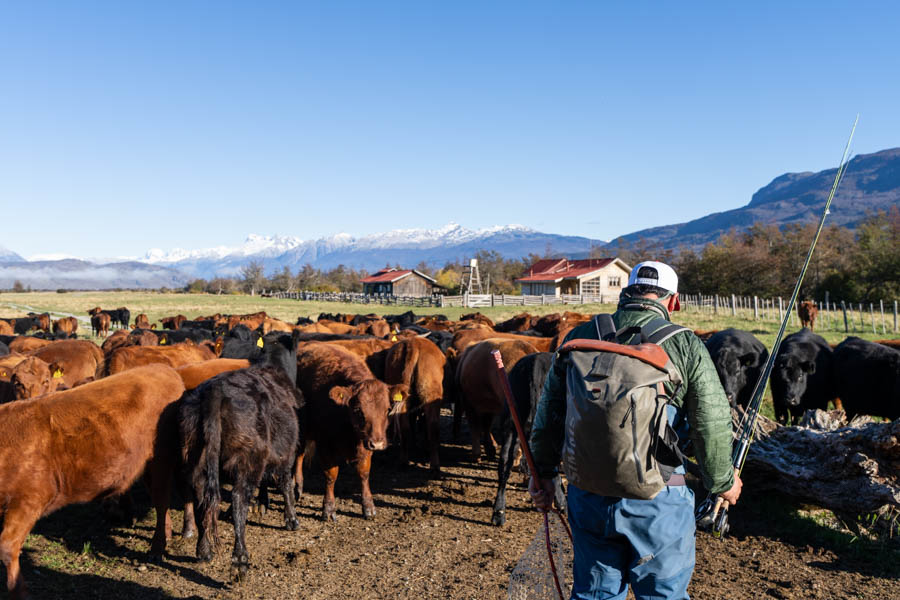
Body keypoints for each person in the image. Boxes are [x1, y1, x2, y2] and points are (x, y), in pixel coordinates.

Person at [528, 260, 742, 600]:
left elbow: (549, 413)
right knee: (663, 595)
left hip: (588, 490)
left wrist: (542, 473)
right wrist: (723, 482)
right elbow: (710, 422)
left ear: (625, 294)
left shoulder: (579, 337)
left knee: (593, 594)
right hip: (659, 494)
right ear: (673, 302)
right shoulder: (685, 345)